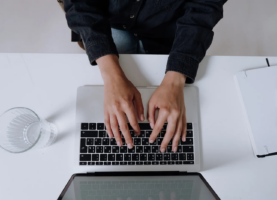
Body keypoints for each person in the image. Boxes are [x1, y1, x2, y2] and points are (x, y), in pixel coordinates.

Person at [63, 0, 226, 153]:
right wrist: (112, 76)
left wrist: (174, 81)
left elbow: (204, 7)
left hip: (167, 27)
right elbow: (79, 3)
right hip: (108, 21)